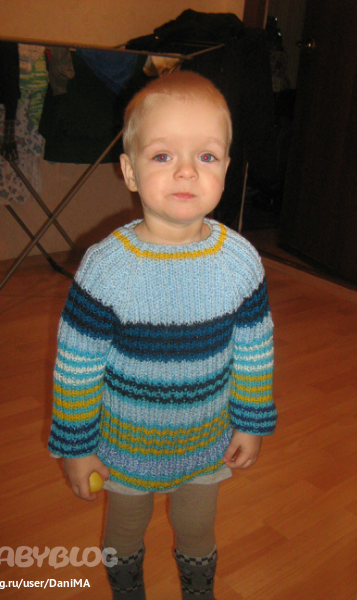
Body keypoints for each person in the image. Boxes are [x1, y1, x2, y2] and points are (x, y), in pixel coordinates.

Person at [48, 71, 277, 600]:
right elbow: (76, 368)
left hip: (206, 443)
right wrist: (76, 447)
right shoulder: (106, 269)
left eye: (206, 156)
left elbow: (254, 352)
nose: (186, 171)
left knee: (197, 531)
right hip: (125, 447)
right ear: (129, 171)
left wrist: (252, 421)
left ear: (226, 168)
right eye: (162, 155)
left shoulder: (241, 262)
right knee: (124, 532)